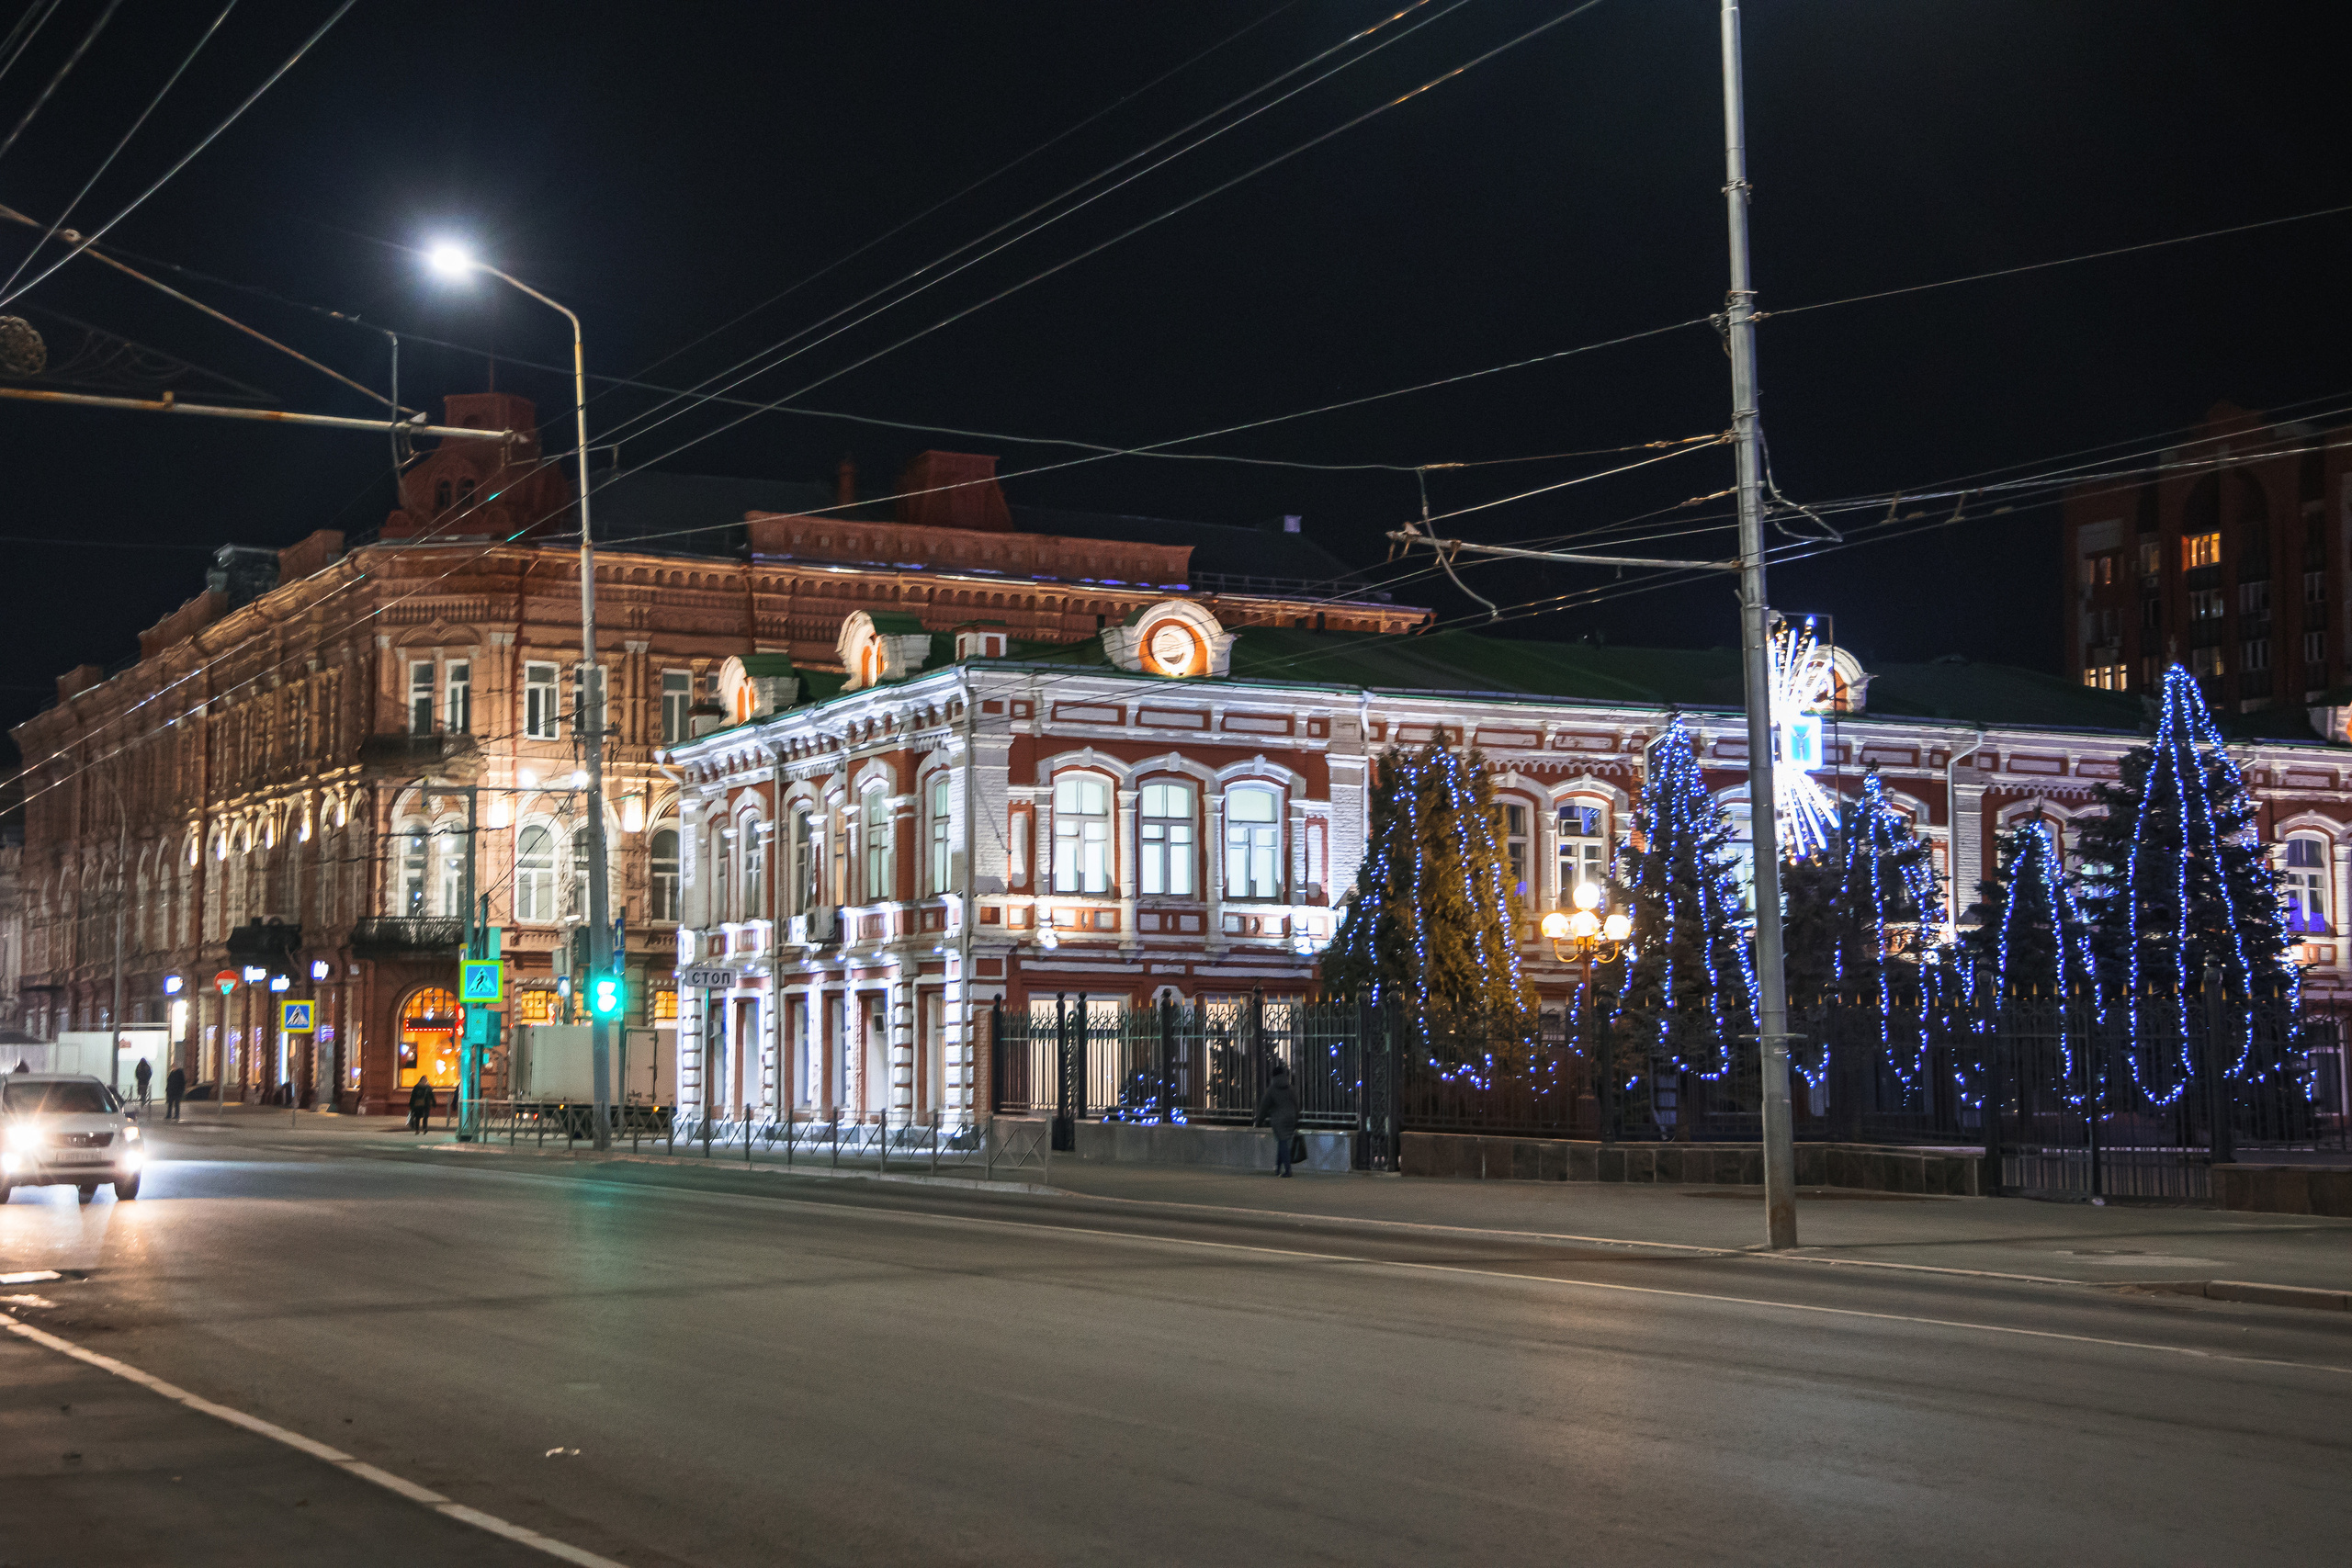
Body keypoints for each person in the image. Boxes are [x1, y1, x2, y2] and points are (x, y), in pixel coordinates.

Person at [1256, 1062, 1301, 1178]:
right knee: (1283, 1142)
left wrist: (1259, 1121)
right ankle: (1277, 1168)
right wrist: (1296, 1118)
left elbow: (1264, 1107)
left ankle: (1288, 1170)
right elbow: (1296, 1104)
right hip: (1290, 1118)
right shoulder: (1290, 1088)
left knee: (1282, 1142)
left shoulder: (1271, 1090)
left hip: (1278, 1119)